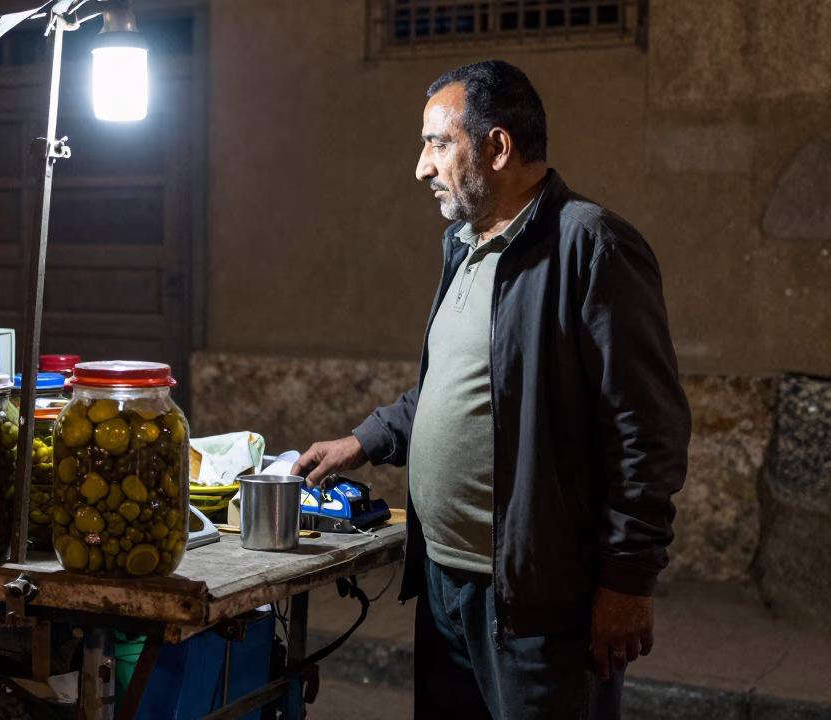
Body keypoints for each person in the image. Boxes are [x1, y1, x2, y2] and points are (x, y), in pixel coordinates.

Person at [293, 61, 691, 719]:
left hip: (536, 600)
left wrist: (628, 581)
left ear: (498, 147)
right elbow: (457, 389)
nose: (422, 167)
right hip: (445, 585)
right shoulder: (467, 248)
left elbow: (647, 430)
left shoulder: (590, 245)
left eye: (437, 143)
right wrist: (362, 441)